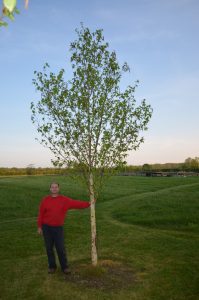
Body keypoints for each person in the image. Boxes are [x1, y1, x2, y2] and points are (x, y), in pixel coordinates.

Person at [37, 182, 90, 275]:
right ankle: (52, 266)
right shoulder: (45, 200)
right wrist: (39, 227)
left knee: (60, 248)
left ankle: (65, 267)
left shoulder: (64, 200)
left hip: (58, 228)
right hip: (47, 228)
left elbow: (76, 204)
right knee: (49, 248)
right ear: (50, 189)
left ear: (59, 188)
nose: (54, 189)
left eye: (56, 187)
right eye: (52, 187)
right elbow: (41, 214)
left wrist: (88, 204)